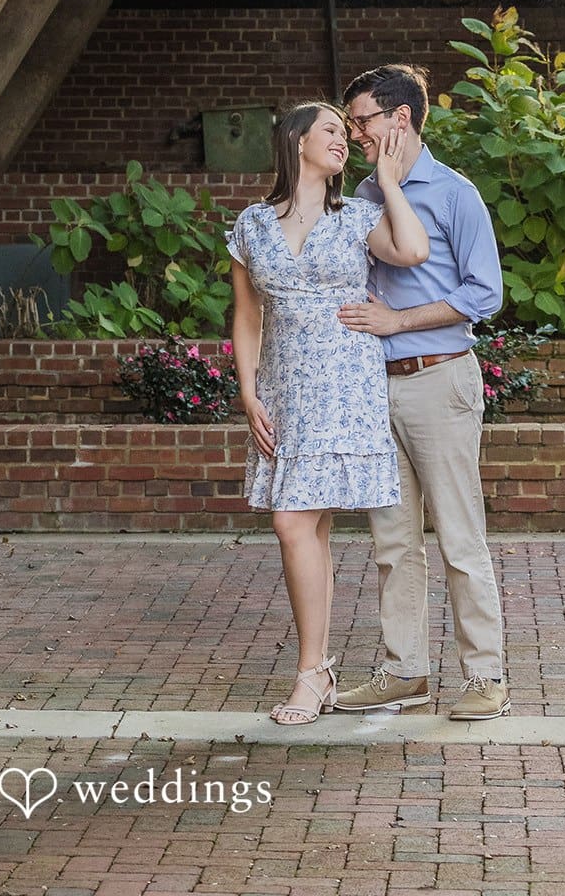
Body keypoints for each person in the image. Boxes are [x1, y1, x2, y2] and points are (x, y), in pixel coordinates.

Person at [227, 101, 429, 725]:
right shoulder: (251, 226)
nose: (344, 141)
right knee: (304, 526)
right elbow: (247, 316)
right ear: (295, 141)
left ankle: (311, 672)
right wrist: (248, 391)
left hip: (344, 385)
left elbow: (414, 250)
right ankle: (317, 666)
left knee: (294, 522)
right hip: (284, 390)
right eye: (332, 132)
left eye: (347, 133)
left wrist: (390, 182)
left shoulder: (359, 216)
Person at [334, 63, 509, 721]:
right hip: (374, 388)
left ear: (398, 118)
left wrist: (398, 321)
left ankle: (485, 677)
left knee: (459, 536)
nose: (354, 132)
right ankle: (402, 671)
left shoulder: (455, 192)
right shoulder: (362, 193)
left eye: (362, 120)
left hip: (439, 378)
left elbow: (483, 294)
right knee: (390, 540)